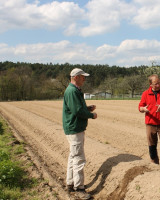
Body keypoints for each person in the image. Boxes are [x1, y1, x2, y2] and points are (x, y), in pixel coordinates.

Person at [62, 68, 97, 200]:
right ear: (76, 77)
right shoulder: (72, 91)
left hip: (74, 127)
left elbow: (75, 109)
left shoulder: (74, 90)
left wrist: (87, 108)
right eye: (83, 77)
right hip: (75, 128)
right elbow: (77, 111)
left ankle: (70, 183)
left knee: (73, 156)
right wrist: (91, 115)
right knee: (79, 158)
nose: (84, 79)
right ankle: (79, 188)